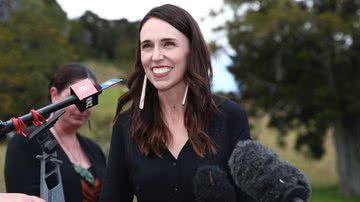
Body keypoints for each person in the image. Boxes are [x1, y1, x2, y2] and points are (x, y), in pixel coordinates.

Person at [100, 4, 255, 202]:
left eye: (168, 44)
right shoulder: (126, 126)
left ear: (191, 50)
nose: (156, 56)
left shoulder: (230, 117)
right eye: (147, 46)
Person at [5, 63, 107, 202]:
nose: (82, 108)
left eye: (89, 100)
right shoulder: (26, 141)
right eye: (76, 99)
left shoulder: (94, 149)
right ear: (54, 94)